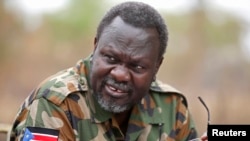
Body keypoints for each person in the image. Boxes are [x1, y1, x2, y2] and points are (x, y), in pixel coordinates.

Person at [9, 1, 207, 141]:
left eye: (136, 66)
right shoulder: (56, 103)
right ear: (95, 47)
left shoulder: (171, 105)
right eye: (111, 59)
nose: (120, 74)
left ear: (157, 66)